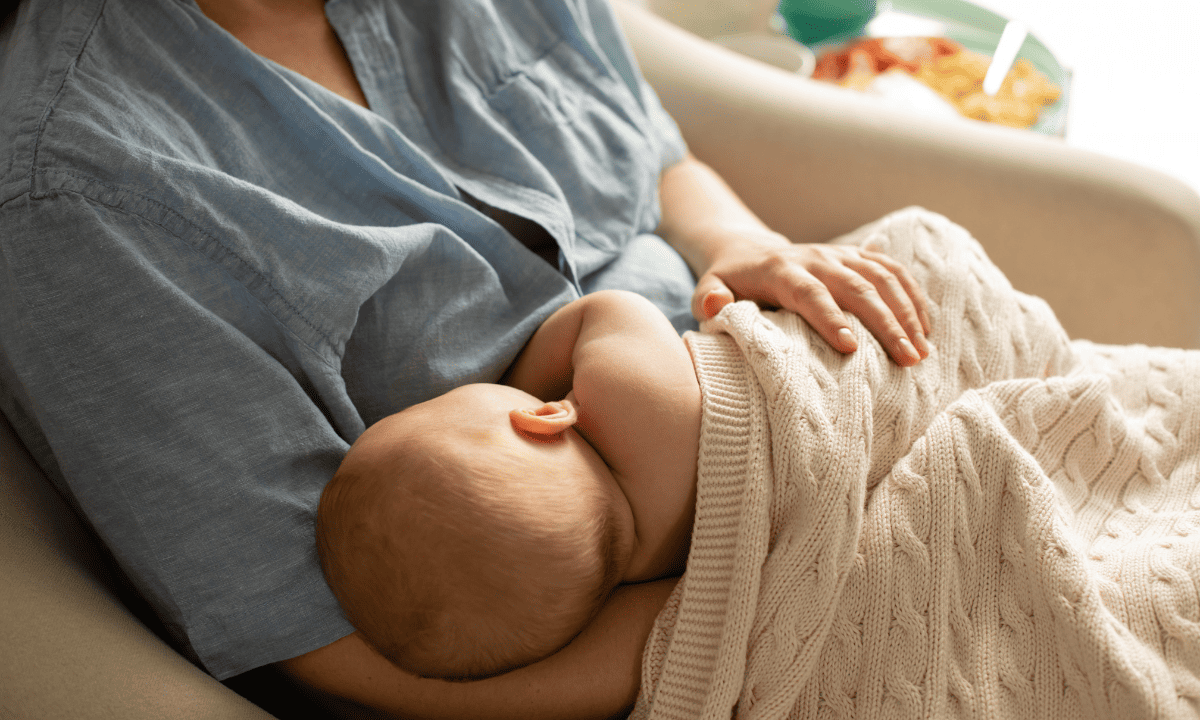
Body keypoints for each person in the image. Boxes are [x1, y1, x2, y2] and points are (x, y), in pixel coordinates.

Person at [0, 0, 930, 716]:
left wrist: (736, 240)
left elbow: (653, 157)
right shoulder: (77, 191)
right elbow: (344, 660)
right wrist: (764, 610)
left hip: (819, 381)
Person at [317, 290, 704, 681]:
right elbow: (613, 309)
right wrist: (523, 381)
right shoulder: (636, 409)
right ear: (543, 419)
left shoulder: (650, 580)